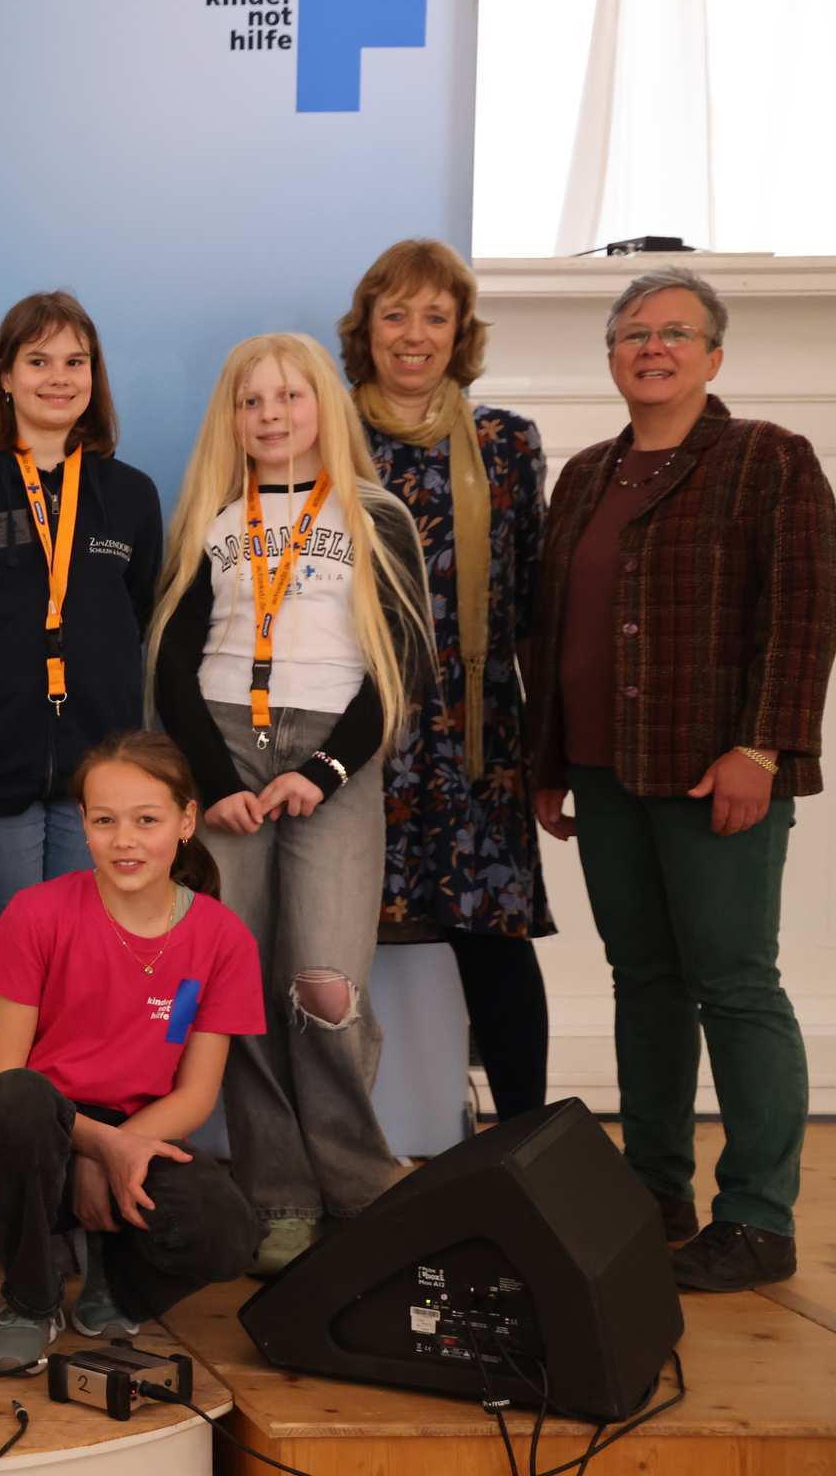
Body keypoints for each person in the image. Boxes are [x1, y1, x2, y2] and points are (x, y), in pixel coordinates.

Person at [527, 267, 836, 1293]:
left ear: (714, 354)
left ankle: (756, 1216)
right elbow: (553, 632)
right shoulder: (585, 476)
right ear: (611, 355)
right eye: (633, 333)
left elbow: (802, 615)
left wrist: (765, 748)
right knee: (644, 983)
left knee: (735, 983)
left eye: (674, 332)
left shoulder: (768, 462)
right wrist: (548, 761)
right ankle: (654, 1187)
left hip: (716, 775)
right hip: (607, 774)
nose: (651, 348)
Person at [150, 332, 432, 1276]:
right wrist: (216, 784)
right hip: (227, 746)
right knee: (239, 987)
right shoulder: (211, 517)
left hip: (332, 754)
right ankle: (279, 1195)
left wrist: (326, 774)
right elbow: (173, 670)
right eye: (251, 401)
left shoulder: (376, 514)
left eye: (290, 397)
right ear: (230, 419)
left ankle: (357, 1181)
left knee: (322, 984)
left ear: (324, 409)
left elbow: (404, 673)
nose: (271, 416)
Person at [340, 240, 554, 1121]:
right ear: (369, 329)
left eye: (436, 315)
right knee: (327, 942)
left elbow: (534, 596)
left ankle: (528, 1144)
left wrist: (549, 748)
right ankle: (331, 1155)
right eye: (397, 314)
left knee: (492, 942)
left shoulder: (505, 444)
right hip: (357, 725)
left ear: (461, 330)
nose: (415, 334)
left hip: (475, 735)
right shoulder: (326, 433)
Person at [0, 732, 261, 1368]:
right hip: (38, 1131)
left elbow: (196, 1094)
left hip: (143, 1131)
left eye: (146, 820)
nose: (124, 840)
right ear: (85, 825)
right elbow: (4, 1077)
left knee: (230, 1233)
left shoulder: (222, 937)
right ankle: (30, 1301)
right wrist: (96, 1148)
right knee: (18, 1101)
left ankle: (116, 1280)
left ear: (186, 822)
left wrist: (119, 1154)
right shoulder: (37, 913)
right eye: (105, 821)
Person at [0, 292, 161, 946]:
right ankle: (10, 1058)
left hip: (99, 770)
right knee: (14, 952)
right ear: (8, 377)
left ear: (94, 377)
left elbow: (138, 611)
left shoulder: (131, 494)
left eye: (76, 362)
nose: (58, 377)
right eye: (39, 361)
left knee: (86, 950)